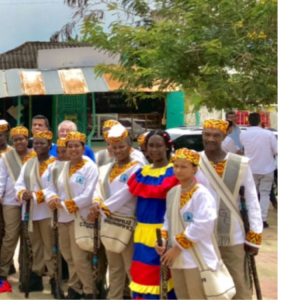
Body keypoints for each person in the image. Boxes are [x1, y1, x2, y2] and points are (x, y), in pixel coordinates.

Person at [195, 119, 262, 300]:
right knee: (205, 283)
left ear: (224, 137)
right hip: (201, 234)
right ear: (202, 136)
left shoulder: (239, 163)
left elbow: (252, 199)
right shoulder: (194, 162)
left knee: (238, 282)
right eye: (207, 135)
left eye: (216, 135)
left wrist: (255, 235)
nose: (211, 139)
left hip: (233, 235)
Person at [156, 148, 221, 300]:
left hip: (196, 257)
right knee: (182, 295)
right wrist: (162, 240)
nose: (178, 170)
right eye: (176, 166)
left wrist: (177, 248)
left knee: (197, 296)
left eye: (184, 167)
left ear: (194, 169)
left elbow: (203, 225)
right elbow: (168, 220)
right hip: (176, 258)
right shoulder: (173, 193)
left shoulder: (202, 194)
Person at [89, 124, 144, 300]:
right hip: (108, 222)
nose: (118, 150)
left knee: (131, 267)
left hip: (127, 222)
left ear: (130, 145)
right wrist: (96, 202)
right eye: (114, 147)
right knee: (114, 267)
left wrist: (103, 208)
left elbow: (127, 192)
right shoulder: (107, 167)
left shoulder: (138, 167)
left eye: (121, 146)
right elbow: (98, 188)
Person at [44, 131, 98, 299]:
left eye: (77, 146)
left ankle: (90, 291)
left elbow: (89, 194)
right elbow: (49, 187)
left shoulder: (90, 167)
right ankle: (75, 288)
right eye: (70, 146)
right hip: (62, 218)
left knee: (80, 258)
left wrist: (65, 205)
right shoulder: (60, 167)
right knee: (68, 256)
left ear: (83, 148)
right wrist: (52, 198)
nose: (73, 149)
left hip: (80, 218)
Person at [127, 130, 179, 299]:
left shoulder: (174, 172)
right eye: (151, 146)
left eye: (159, 146)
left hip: (163, 233)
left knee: (160, 279)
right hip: (141, 232)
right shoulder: (142, 172)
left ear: (167, 147)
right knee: (142, 276)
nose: (154, 150)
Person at [16, 129, 57, 294]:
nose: (38, 146)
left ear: (49, 145)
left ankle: (54, 278)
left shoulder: (55, 164)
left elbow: (54, 187)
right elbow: (19, 183)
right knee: (35, 246)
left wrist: (34, 195)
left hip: (47, 212)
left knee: (50, 246)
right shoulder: (29, 163)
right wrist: (22, 193)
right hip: (31, 211)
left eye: (42, 143)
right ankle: (36, 277)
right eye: (36, 143)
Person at [0, 125, 28, 281]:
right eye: (16, 139)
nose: (19, 142)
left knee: (27, 237)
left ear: (27, 140)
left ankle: (26, 271)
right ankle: (2, 270)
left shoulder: (34, 156)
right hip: (10, 201)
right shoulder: (6, 157)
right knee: (10, 236)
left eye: (21, 139)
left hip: (30, 203)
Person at [240, 112, 277, 228]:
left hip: (250, 168)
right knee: (265, 194)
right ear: (260, 121)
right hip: (267, 168)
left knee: (252, 194)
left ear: (249, 122)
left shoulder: (243, 135)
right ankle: (263, 219)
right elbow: (277, 151)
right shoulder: (268, 134)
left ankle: (252, 219)